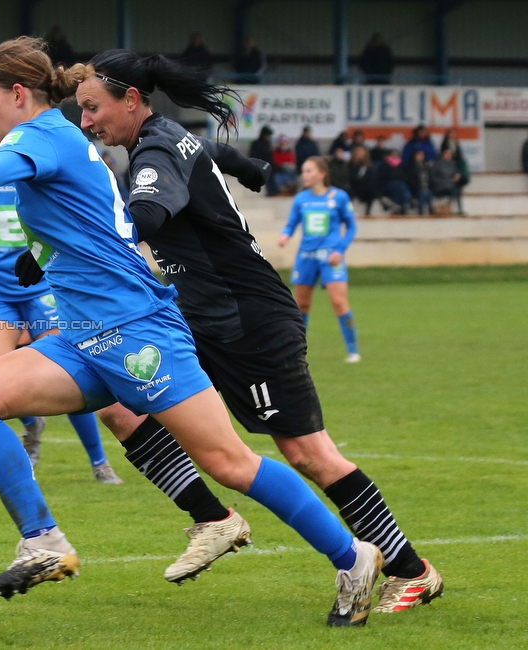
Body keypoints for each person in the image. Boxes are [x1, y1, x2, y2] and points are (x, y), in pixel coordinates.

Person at [0, 36, 382, 626]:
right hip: (80, 335)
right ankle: (43, 541)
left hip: (137, 329)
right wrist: (42, 256)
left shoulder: (38, 136)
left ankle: (352, 556)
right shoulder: (53, 140)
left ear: (18, 94)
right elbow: (84, 219)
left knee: (229, 463)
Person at [71, 47, 440, 615]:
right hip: (198, 319)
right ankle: (212, 518)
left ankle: (412, 571)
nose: (87, 121)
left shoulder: (156, 152)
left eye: (93, 108)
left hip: (247, 322)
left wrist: (79, 241)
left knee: (309, 455)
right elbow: (206, 152)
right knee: (117, 405)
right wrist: (245, 166)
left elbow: (148, 214)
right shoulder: (165, 136)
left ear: (132, 100)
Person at [0, 176, 123, 483]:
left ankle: (99, 461)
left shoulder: (38, 168)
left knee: (69, 372)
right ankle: (32, 425)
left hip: (41, 286)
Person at [279, 157, 360, 362]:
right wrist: (285, 235)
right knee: (301, 306)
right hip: (306, 257)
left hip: (330, 257)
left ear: (322, 174)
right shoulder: (301, 199)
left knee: (339, 302)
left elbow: (351, 227)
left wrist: (340, 250)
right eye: (303, 171)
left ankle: (353, 350)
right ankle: (298, 351)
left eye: (308, 171)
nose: (304, 175)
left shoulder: (339, 197)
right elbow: (291, 224)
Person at [377, 151, 412, 215]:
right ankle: (405, 202)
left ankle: (399, 206)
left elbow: (404, 176)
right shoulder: (385, 164)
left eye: (396, 154)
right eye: (393, 154)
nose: (395, 156)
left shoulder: (401, 164)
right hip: (387, 184)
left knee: (401, 187)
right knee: (400, 187)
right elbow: (383, 177)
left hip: (400, 185)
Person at [431, 147, 463, 214]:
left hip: (450, 185)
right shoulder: (437, 164)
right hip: (440, 186)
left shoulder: (452, 164)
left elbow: (455, 172)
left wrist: (457, 175)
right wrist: (445, 182)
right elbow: (433, 177)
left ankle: (458, 210)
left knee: (458, 189)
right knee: (452, 190)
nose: (449, 155)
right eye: (447, 154)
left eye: (450, 154)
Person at [348, 145, 379, 215]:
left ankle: (368, 211)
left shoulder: (369, 166)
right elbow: (351, 178)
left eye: (361, 151)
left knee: (373, 190)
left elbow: (372, 179)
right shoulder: (350, 165)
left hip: (366, 188)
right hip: (354, 188)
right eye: (358, 151)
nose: (359, 153)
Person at [248, 125, 275, 194]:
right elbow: (253, 155)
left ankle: (272, 191)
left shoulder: (267, 143)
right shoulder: (256, 144)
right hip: (259, 165)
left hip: (268, 165)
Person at [405, 150, 433, 215]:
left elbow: (431, 179)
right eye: (419, 155)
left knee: (429, 193)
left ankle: (430, 211)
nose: (421, 156)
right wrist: (418, 186)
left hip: (427, 188)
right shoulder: (410, 167)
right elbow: (410, 180)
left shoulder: (426, 167)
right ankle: (420, 212)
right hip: (415, 189)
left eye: (422, 155)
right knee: (424, 193)